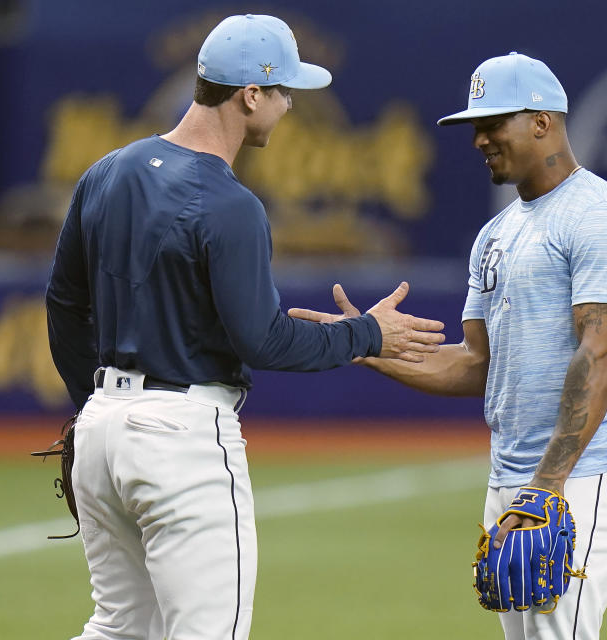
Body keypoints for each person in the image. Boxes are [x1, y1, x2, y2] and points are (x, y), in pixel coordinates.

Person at [45, 14, 445, 640]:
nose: (289, 106)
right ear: (249, 94)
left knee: (119, 628)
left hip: (102, 427)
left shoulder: (107, 172)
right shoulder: (230, 204)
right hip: (182, 437)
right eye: (285, 91)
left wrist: (89, 408)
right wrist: (367, 333)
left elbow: (64, 304)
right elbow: (262, 340)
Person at [290, 52, 607, 640]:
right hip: (515, 475)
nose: (480, 139)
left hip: (583, 476)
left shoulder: (599, 216)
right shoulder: (498, 231)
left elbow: (601, 353)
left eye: (494, 123)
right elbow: (476, 364)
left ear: (542, 122)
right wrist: (361, 346)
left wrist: (547, 486)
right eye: (476, 126)